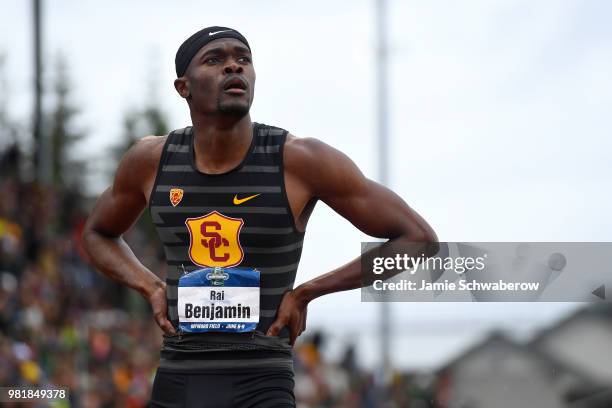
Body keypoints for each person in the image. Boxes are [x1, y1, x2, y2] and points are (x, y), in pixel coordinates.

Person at [82, 26, 437, 408]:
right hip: (178, 376)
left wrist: (309, 291)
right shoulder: (152, 161)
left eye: (243, 59)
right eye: (215, 59)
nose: (234, 66)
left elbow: (418, 239)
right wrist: (149, 286)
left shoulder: (300, 160)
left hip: (262, 380)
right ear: (183, 86)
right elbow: (97, 234)